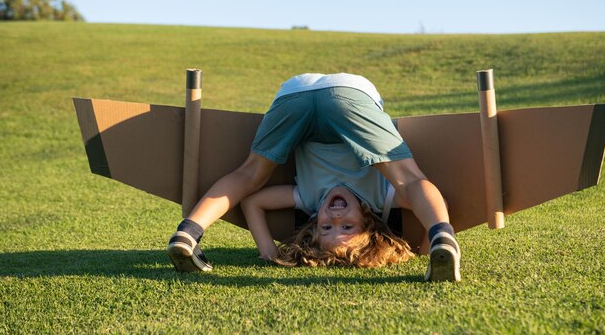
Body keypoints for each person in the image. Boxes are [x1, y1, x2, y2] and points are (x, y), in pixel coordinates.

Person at [167, 73, 461, 282]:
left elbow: (253, 202)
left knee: (250, 174)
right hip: (349, 95)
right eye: (346, 226)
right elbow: (427, 195)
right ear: (368, 222)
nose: (335, 215)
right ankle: (443, 239)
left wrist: (268, 251)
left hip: (296, 94)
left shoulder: (309, 199)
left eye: (325, 226)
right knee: (409, 180)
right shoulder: (378, 198)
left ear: (314, 223)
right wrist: (428, 242)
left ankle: (188, 234)